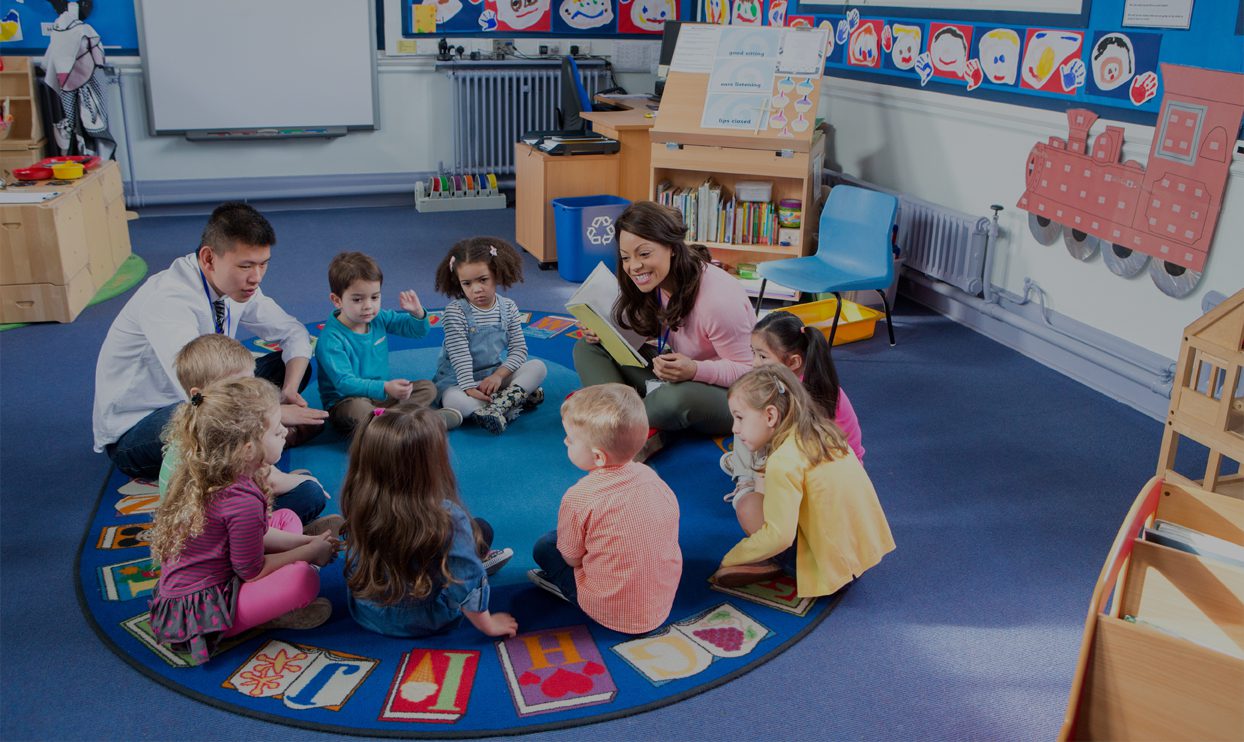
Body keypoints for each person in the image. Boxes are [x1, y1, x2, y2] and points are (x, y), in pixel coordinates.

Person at [93, 202, 328, 480]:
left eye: (263, 264)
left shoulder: (235, 284)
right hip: (142, 427)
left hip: (206, 394)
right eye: (245, 266)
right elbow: (201, 397)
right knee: (214, 418)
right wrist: (273, 410)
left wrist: (288, 390)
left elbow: (293, 332)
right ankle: (261, 442)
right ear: (208, 258)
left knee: (286, 366)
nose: (256, 277)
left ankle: (256, 439)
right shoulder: (168, 300)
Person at [147, 377, 338, 666]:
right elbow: (252, 571)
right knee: (302, 580)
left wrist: (307, 542)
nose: (285, 432)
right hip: (200, 616)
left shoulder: (223, 470)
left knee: (285, 517)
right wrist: (308, 553)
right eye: (276, 431)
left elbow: (259, 536)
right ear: (247, 449)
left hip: (207, 582)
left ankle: (302, 548)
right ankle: (275, 614)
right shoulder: (240, 500)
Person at [573, 201, 754, 439]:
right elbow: (654, 329)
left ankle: (614, 422)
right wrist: (604, 331)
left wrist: (695, 370)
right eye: (625, 257)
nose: (634, 266)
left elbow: (750, 372)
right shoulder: (656, 280)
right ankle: (625, 419)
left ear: (673, 248)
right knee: (589, 348)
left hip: (731, 397)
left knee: (673, 399)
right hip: (676, 373)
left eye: (644, 254)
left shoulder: (719, 301)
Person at [711, 365, 894, 594]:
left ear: (770, 415)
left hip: (831, 569)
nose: (734, 429)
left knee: (748, 505)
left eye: (739, 418)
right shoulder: (822, 431)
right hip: (863, 553)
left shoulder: (783, 461)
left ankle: (777, 563)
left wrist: (732, 557)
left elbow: (780, 536)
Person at [341, 404, 517, 638]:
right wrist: (488, 624)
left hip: (368, 609)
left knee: (478, 529)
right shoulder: (446, 515)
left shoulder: (360, 495)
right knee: (478, 533)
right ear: (428, 464)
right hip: (422, 617)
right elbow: (465, 578)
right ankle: (478, 562)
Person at [530, 384, 682, 635]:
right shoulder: (654, 478)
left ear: (599, 457)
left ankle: (570, 592)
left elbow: (572, 558)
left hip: (610, 609)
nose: (564, 441)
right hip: (661, 601)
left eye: (571, 438)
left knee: (546, 545)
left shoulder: (579, 497)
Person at [157, 334, 330, 525]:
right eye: (236, 386)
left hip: (200, 525)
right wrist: (308, 484)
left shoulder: (198, 420)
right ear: (198, 393)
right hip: (215, 537)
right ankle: (288, 536)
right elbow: (269, 481)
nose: (249, 391)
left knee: (297, 479)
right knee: (309, 492)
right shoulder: (225, 435)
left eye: (251, 381)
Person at [721, 310, 866, 502]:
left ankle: (747, 476)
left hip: (829, 476)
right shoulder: (801, 380)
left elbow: (791, 445)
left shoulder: (799, 395)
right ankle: (746, 469)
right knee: (746, 414)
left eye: (763, 357)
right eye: (753, 353)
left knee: (750, 417)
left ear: (794, 362)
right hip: (842, 469)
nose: (755, 363)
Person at [315, 251, 461, 436]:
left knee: (427, 389)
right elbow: (345, 383)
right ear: (337, 300)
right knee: (360, 410)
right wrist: (385, 387)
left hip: (380, 398)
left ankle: (390, 425)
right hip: (347, 403)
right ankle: (421, 424)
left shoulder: (378, 317)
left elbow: (416, 331)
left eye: (374, 297)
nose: (368, 306)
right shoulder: (331, 339)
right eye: (357, 299)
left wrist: (417, 314)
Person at [432, 237, 547, 434]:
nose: (476, 289)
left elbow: (519, 350)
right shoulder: (455, 311)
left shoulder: (508, 307)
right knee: (454, 400)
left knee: (538, 367)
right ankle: (512, 399)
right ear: (459, 284)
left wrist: (497, 376)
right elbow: (460, 356)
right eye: (467, 284)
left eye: (483, 280)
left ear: (496, 274)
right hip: (458, 382)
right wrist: (469, 388)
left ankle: (497, 407)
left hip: (492, 378)